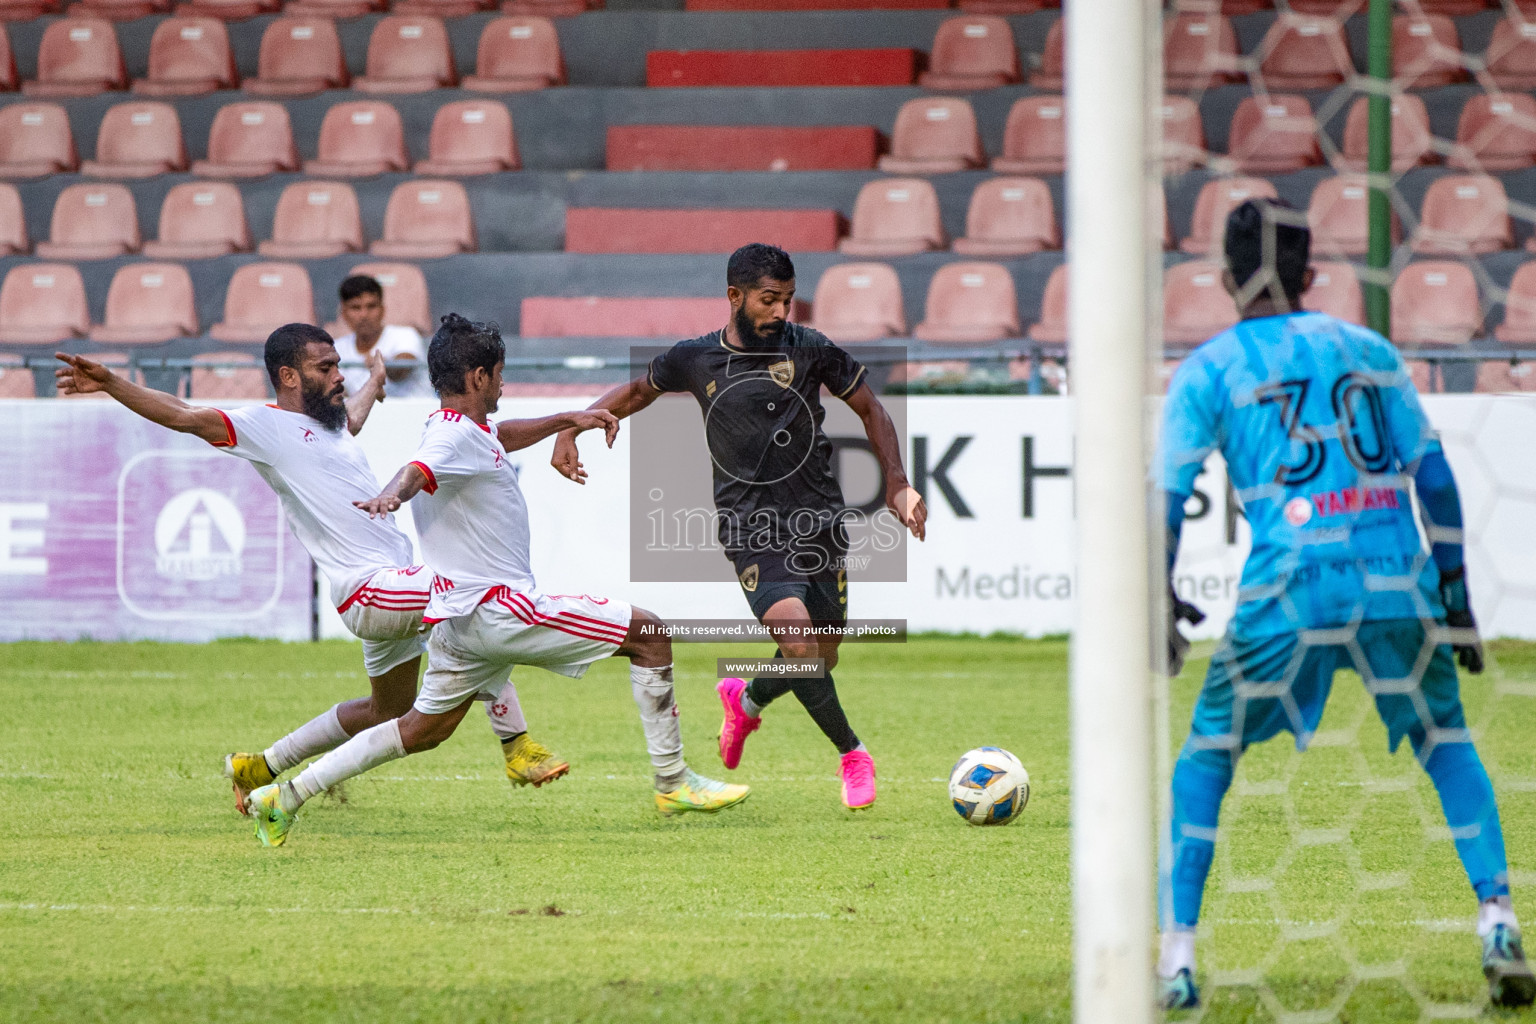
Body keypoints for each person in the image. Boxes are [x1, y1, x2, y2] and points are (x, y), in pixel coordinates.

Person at [1156, 199, 1533, 1010]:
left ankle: (1177, 958)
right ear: (1312, 275)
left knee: (1207, 756)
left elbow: (1167, 499)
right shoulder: (1365, 348)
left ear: (1225, 278)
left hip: (1289, 584)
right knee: (1445, 738)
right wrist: (1457, 593)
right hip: (1398, 572)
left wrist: (1161, 598)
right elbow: (1433, 476)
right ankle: (1497, 919)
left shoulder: (1210, 370)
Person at [242, 314, 749, 847]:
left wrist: (566, 419)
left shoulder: (461, 429)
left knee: (419, 730)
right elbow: (420, 468)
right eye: (500, 374)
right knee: (650, 635)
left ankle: (284, 797)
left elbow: (497, 436)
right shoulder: (447, 441)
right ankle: (674, 782)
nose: (504, 384)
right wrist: (394, 493)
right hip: (501, 610)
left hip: (460, 619)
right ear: (480, 377)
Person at [54, 325, 567, 826]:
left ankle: (261, 765)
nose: (337, 375)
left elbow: (352, 422)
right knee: (475, 598)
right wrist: (112, 384)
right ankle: (516, 743)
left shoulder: (331, 422)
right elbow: (185, 415)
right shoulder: (263, 426)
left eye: (338, 366)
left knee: (386, 710)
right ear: (289, 376)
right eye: (326, 368)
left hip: (391, 584)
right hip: (372, 588)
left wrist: (373, 384)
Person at [550, 243, 927, 811]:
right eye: (768, 300)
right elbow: (634, 392)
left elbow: (872, 409)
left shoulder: (812, 348)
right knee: (800, 644)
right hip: (752, 529)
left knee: (820, 657)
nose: (781, 312)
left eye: (788, 300)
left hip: (819, 521)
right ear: (735, 297)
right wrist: (571, 426)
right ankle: (853, 754)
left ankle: (746, 699)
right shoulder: (695, 358)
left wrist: (897, 482)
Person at [334, 275, 432, 400]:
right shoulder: (336, 348)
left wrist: (383, 366)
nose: (364, 315)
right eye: (355, 308)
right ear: (343, 313)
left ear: (382, 309)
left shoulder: (406, 335)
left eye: (371, 306)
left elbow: (401, 371)